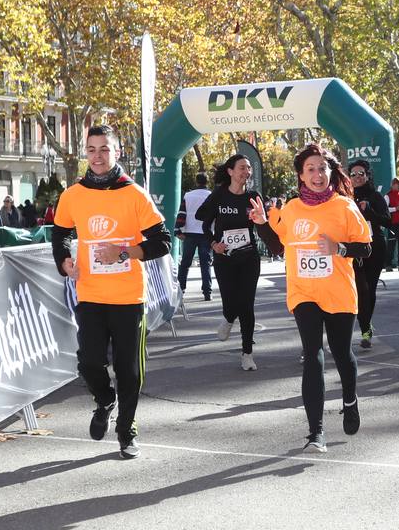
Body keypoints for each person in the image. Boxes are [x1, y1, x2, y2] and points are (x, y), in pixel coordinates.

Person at [51, 125, 172, 459]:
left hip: (128, 298)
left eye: (104, 149)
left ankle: (126, 429)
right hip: (90, 294)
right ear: (85, 153)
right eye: (91, 150)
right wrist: (64, 261)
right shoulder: (73, 194)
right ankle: (105, 400)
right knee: (89, 362)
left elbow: (163, 241)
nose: (98, 156)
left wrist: (124, 253)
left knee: (129, 370)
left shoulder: (134, 194)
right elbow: (60, 232)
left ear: (116, 152)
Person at [251, 143, 371, 453]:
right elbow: (280, 246)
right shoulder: (291, 209)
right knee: (312, 353)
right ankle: (315, 432)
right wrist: (262, 223)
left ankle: (350, 399)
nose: (317, 174)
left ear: (331, 172)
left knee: (342, 353)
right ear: (301, 176)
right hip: (303, 292)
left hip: (339, 292)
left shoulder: (345, 207)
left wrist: (339, 249)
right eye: (311, 170)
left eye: (322, 168)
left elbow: (366, 248)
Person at [196, 154, 264, 371]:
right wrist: (214, 243)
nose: (246, 172)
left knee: (247, 304)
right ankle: (227, 317)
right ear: (231, 172)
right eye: (242, 168)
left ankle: (247, 353)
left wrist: (261, 219)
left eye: (248, 169)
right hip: (224, 258)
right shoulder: (219, 195)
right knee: (230, 302)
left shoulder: (253, 196)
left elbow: (262, 225)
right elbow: (204, 224)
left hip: (249, 257)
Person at [347, 159, 390, 348]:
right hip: (353, 248)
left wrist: (370, 211)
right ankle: (365, 326)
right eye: (353, 174)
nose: (357, 177)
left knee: (369, 290)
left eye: (361, 174)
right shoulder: (344, 196)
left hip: (375, 248)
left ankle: (366, 329)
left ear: (367, 175)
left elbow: (388, 222)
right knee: (359, 289)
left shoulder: (375, 196)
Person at [177, 172, 213, 301]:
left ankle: (180, 290)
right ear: (207, 182)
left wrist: (178, 230)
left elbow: (182, 213)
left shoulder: (188, 195)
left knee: (185, 263)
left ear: (196, 181)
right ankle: (207, 292)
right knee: (205, 263)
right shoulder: (211, 195)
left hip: (189, 233)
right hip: (206, 233)